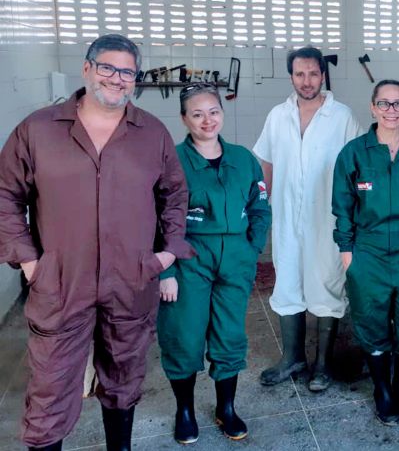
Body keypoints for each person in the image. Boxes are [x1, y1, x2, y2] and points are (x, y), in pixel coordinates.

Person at [0, 34, 194, 451]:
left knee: (123, 375)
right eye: (107, 67)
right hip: (61, 282)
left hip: (130, 280)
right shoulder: (38, 129)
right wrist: (29, 260)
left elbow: (175, 195)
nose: (117, 78)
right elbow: (5, 195)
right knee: (50, 386)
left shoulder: (151, 133)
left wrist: (165, 253)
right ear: (87, 69)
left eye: (127, 71)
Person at [157, 84, 271, 443]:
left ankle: (226, 408)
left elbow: (259, 206)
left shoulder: (243, 158)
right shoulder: (171, 162)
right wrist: (166, 270)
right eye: (197, 113)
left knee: (230, 336)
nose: (208, 120)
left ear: (222, 113)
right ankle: (185, 410)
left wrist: (251, 249)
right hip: (189, 257)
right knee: (184, 336)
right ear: (183, 119)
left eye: (214, 111)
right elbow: (156, 220)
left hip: (235, 257)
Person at [332, 80, 399, 425]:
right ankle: (382, 386)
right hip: (369, 255)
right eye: (384, 103)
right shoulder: (353, 153)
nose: (391, 110)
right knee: (371, 324)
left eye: (398, 104)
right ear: (372, 107)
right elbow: (343, 207)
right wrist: (348, 257)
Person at [253, 46, 361, 392]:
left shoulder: (342, 117)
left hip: (327, 220)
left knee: (326, 284)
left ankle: (323, 365)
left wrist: (355, 217)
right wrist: (262, 207)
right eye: (300, 74)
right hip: (286, 218)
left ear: (323, 75)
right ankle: (292, 358)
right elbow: (266, 163)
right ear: (291, 77)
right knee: (288, 283)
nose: (307, 81)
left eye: (314, 73)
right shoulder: (276, 115)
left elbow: (358, 166)